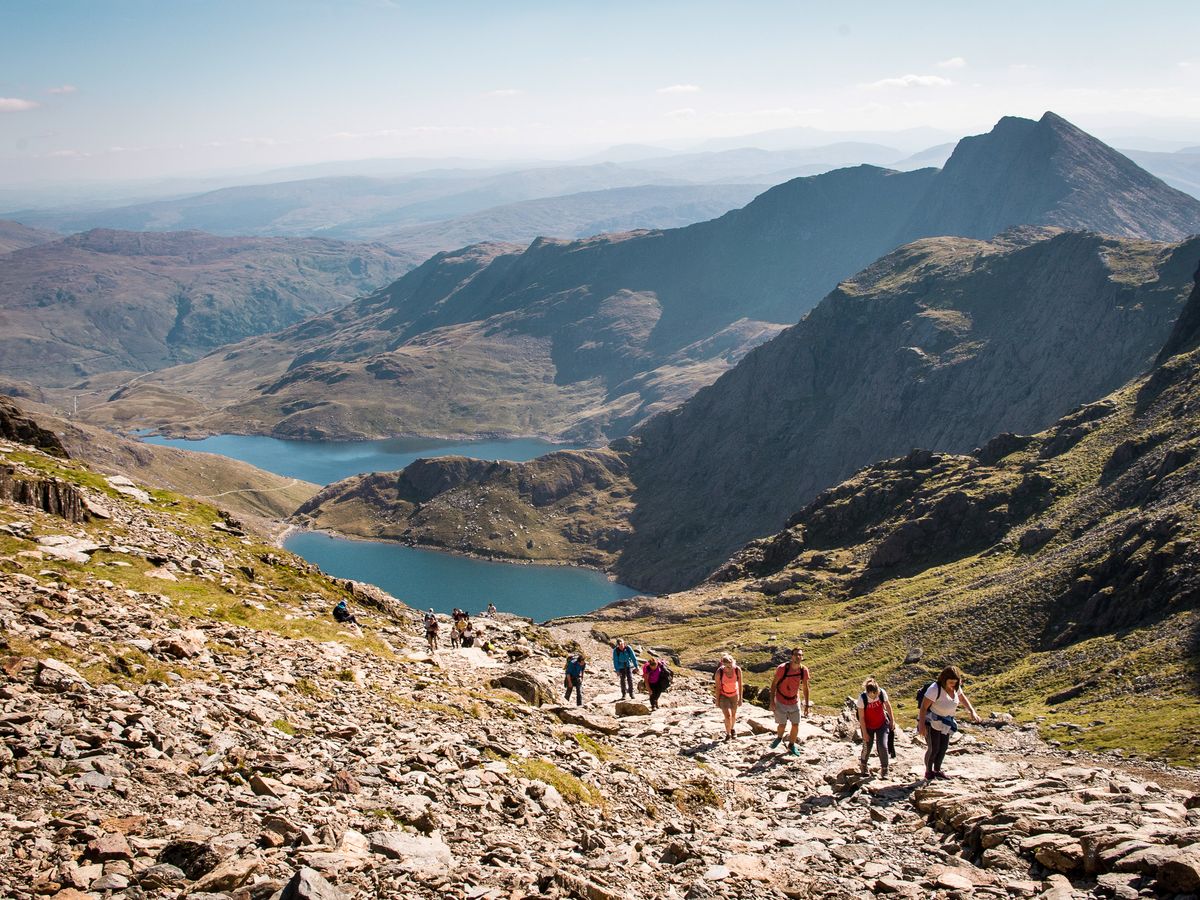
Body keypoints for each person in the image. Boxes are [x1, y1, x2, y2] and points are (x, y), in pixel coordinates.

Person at [918, 665, 981, 780]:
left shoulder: (956, 688)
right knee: (934, 748)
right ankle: (928, 772)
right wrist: (921, 725)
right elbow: (923, 707)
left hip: (946, 722)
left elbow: (962, 698)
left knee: (943, 747)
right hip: (933, 722)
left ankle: (937, 770)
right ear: (944, 679)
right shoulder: (934, 689)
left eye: (955, 682)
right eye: (950, 682)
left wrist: (972, 711)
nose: (953, 684)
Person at [768, 648, 810, 756]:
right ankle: (779, 737)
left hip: (794, 701)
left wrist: (806, 705)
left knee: (795, 724)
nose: (798, 657)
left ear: (802, 657)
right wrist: (772, 701)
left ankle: (791, 745)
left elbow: (805, 687)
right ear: (792, 656)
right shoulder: (782, 668)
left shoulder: (803, 670)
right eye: (796, 654)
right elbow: (773, 685)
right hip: (781, 700)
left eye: (800, 655)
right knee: (782, 725)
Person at [856, 676, 895, 777]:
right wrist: (864, 733)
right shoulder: (862, 699)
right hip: (868, 726)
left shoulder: (882, 693)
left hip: (882, 723)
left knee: (883, 745)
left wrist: (892, 720)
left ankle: (885, 769)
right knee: (867, 747)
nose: (875, 697)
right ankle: (863, 765)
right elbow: (861, 717)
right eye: (873, 695)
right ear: (868, 692)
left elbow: (888, 706)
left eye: (877, 694)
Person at [713, 654, 743, 741]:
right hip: (724, 695)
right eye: (726, 666)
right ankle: (728, 734)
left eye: (730, 665)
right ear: (722, 664)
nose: (728, 667)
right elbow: (717, 687)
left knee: (733, 715)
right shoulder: (719, 672)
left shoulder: (737, 670)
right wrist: (717, 700)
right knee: (728, 715)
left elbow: (740, 684)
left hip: (734, 694)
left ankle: (732, 729)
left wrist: (740, 698)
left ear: (733, 662)